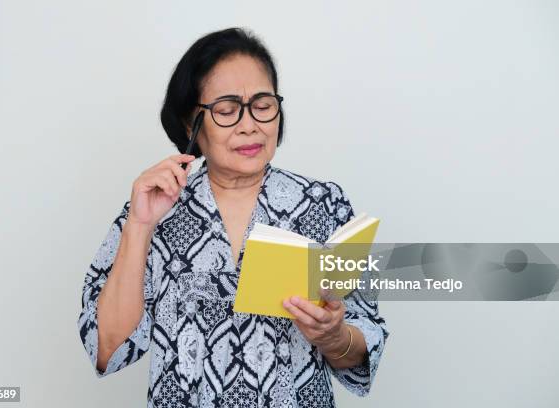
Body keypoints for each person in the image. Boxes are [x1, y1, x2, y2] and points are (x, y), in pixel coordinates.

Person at [77, 27, 389, 408]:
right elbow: (107, 350)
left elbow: (366, 337)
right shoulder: (152, 209)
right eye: (227, 110)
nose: (249, 124)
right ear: (193, 126)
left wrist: (335, 337)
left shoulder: (324, 205)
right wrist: (141, 226)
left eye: (262, 105)